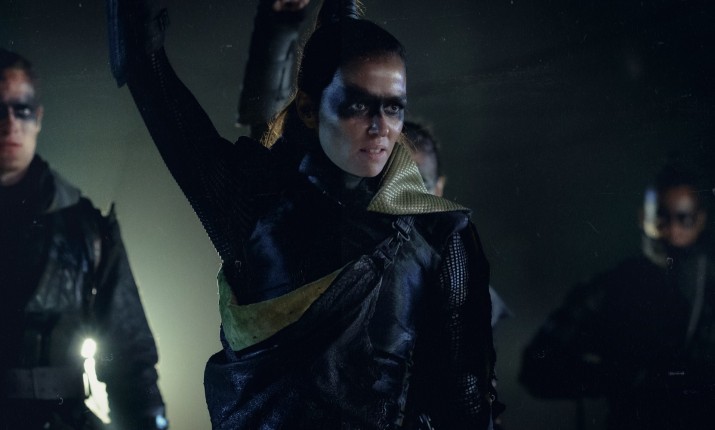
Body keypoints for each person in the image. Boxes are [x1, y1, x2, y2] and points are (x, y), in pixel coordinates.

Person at [107, 0, 496, 428]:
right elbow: (157, 89)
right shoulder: (255, 202)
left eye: (393, 107)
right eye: (357, 106)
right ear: (309, 109)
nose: (380, 126)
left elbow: (465, 399)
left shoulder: (438, 233)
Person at [0, 49, 167, 429]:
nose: (10, 123)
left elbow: (128, 358)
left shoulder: (85, 229)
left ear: (38, 117)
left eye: (21, 109)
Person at [519, 158, 715, 429]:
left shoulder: (709, 285)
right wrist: (612, 375)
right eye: (660, 218)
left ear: (700, 220)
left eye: (684, 219)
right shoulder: (613, 286)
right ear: (643, 218)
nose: (672, 231)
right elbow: (537, 365)